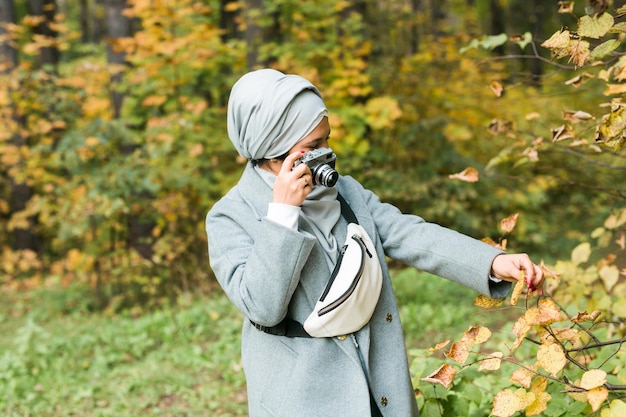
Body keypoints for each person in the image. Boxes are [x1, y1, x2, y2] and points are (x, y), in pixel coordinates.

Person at [205, 68, 544, 417]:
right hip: (304, 399)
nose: (328, 151)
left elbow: (409, 233)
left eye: (327, 139)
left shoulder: (347, 192)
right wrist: (282, 216)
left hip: (380, 388)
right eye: (314, 146)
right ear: (272, 149)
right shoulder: (230, 217)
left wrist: (492, 262)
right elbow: (262, 307)